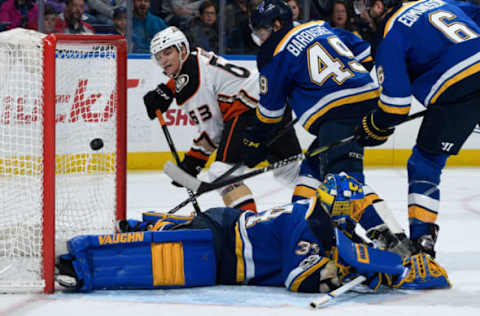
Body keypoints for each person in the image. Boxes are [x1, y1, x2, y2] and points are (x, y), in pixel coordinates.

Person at [54, 173, 451, 293]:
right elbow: (301, 279)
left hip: (227, 233)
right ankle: (83, 261)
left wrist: (376, 265)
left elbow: (342, 248)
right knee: (157, 255)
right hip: (220, 244)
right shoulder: (308, 224)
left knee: (177, 235)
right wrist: (348, 274)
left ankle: (147, 220)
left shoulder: (321, 217)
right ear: (341, 207)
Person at [354, 0, 480, 258]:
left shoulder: (388, 34)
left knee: (425, 163)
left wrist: (374, 125)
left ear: (378, 6)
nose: (362, 15)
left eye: (363, 7)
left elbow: (396, 106)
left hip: (455, 90)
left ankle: (423, 243)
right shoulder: (434, 2)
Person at [142, 26, 302, 213]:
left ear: (182, 49)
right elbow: (198, 73)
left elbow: (213, 131)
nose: (163, 60)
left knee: (221, 173)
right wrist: (168, 90)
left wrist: (192, 164)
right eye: (159, 56)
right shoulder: (195, 56)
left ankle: (248, 225)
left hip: (249, 111)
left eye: (168, 53)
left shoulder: (191, 84)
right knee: (289, 170)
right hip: (273, 102)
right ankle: (326, 204)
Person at [243, 0, 377, 203]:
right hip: (369, 102)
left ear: (277, 25)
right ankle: (304, 218)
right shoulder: (317, 25)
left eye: (261, 32)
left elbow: (271, 112)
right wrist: (346, 82)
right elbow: (366, 56)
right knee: (311, 170)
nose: (261, 39)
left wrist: (256, 140)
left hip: (337, 115)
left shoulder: (272, 52)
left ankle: (386, 231)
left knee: (344, 181)